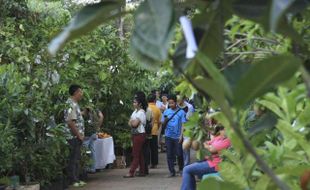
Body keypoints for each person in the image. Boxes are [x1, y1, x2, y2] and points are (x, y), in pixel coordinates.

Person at [181, 125, 231, 190]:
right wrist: (194, 139)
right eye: (222, 129)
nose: (223, 131)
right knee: (188, 169)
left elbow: (212, 149)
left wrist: (205, 145)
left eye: (224, 129)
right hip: (210, 162)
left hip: (216, 165)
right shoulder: (219, 138)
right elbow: (205, 144)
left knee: (187, 169)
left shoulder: (227, 140)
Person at [64, 84, 86, 187]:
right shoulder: (71, 104)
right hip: (73, 137)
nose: (82, 94)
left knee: (77, 158)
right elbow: (70, 122)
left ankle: (76, 179)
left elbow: (75, 116)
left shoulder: (74, 104)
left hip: (76, 136)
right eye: (80, 92)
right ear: (76, 92)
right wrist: (78, 135)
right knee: (73, 159)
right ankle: (72, 180)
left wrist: (83, 113)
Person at [161, 94, 186, 177]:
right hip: (168, 136)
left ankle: (181, 169)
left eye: (172, 103)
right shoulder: (166, 112)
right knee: (169, 154)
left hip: (177, 136)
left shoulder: (181, 112)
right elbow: (162, 123)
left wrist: (181, 136)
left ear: (176, 102)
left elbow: (183, 124)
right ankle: (172, 171)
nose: (171, 105)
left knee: (179, 154)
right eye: (169, 103)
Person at [123, 94, 147, 178]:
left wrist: (132, 122)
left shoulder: (141, 112)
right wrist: (132, 122)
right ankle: (142, 171)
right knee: (139, 153)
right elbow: (130, 123)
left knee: (135, 154)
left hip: (140, 134)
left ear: (140, 104)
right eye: (133, 102)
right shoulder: (135, 112)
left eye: (135, 102)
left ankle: (131, 172)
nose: (133, 103)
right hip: (135, 134)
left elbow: (134, 124)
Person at [83, 106, 104, 173]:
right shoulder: (95, 107)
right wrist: (97, 127)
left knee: (85, 150)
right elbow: (101, 116)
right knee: (91, 150)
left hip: (87, 133)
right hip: (93, 132)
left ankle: (86, 168)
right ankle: (93, 168)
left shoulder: (85, 107)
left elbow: (82, 114)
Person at [147, 93, 162, 169]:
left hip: (146, 130)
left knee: (146, 147)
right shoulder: (157, 109)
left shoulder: (146, 108)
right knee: (154, 148)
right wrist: (157, 127)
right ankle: (154, 164)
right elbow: (160, 121)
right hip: (154, 129)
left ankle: (147, 163)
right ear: (155, 100)